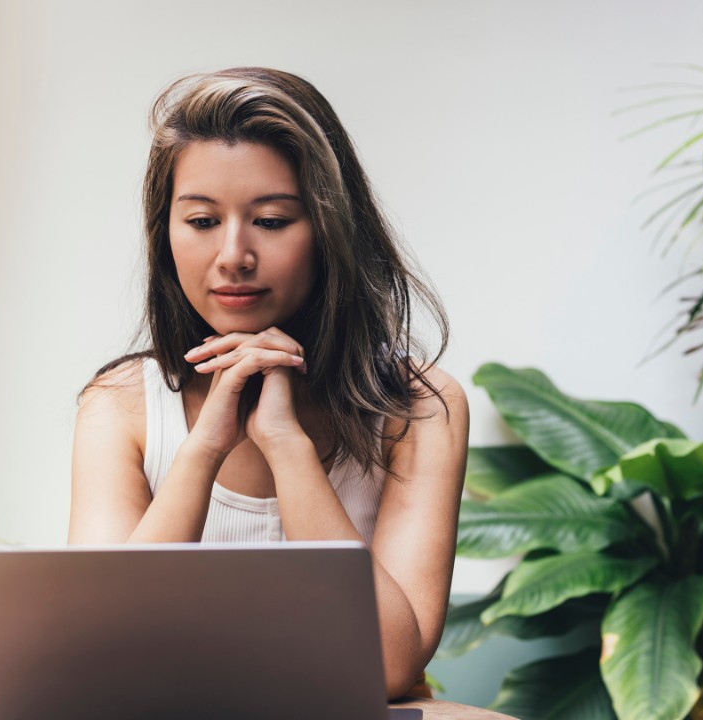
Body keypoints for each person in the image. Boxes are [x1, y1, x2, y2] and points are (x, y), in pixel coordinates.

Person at [67, 67, 469, 700]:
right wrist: (202, 450)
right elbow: (105, 647)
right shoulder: (119, 405)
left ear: (332, 231)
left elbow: (389, 667)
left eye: (273, 221)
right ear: (165, 233)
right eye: (201, 222)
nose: (233, 255)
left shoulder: (418, 407)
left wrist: (286, 445)